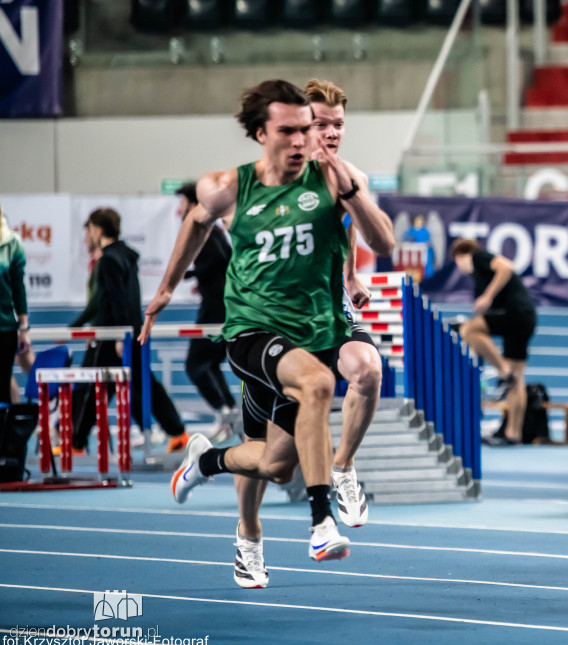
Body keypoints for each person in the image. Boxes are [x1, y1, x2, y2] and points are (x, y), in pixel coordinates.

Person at [141, 79, 394, 567]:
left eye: (309, 130)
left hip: (315, 328)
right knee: (319, 383)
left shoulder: (333, 179)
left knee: (276, 464)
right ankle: (321, 523)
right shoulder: (229, 186)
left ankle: (205, 460)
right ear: (261, 133)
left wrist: (353, 191)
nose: (304, 141)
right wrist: (167, 288)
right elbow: (195, 224)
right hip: (251, 331)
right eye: (292, 131)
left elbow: (382, 242)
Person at [230, 78, 391, 588]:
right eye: (320, 124)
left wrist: (350, 275)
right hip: (269, 327)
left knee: (367, 368)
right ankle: (248, 533)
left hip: (327, 318)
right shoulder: (266, 181)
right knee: (270, 458)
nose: (329, 133)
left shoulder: (341, 177)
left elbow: (345, 225)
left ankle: (342, 466)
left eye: (338, 124)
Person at [69, 208, 191, 453]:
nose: (85, 238)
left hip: (114, 336)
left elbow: (117, 301)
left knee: (93, 388)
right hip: (128, 333)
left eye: (89, 231)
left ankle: (76, 444)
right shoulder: (125, 257)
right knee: (143, 384)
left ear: (98, 230)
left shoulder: (108, 261)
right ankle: (178, 433)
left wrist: (116, 336)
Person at [450, 238, 537, 445]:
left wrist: (487, 297)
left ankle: (502, 370)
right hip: (525, 317)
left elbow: (506, 266)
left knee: (469, 329)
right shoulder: (480, 276)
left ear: (460, 256)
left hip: (515, 313)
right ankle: (513, 434)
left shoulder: (478, 257)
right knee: (518, 377)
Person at [174, 182, 240, 442]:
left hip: (216, 307)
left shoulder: (204, 228)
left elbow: (218, 260)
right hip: (220, 303)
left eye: (181, 203)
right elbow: (224, 260)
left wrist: (188, 273)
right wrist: (201, 279)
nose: (178, 210)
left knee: (195, 365)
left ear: (192, 204)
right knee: (209, 363)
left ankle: (225, 413)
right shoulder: (212, 229)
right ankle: (228, 413)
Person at [0, 202, 30, 403]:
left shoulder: (12, 243)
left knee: (2, 388)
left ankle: (4, 433)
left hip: (4, 327)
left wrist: (24, 328)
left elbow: (19, 288)